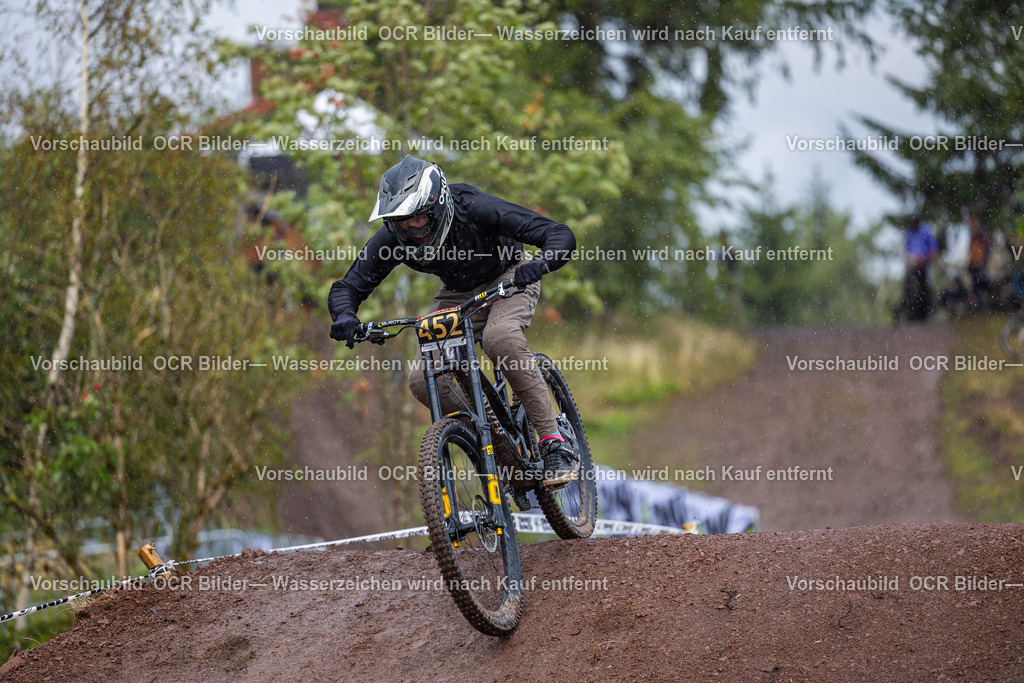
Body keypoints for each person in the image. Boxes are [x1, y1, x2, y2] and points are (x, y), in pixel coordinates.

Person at [328, 155, 579, 488]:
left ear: (438, 205)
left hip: (510, 275)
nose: (410, 231)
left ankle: (553, 442)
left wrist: (541, 264)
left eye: (416, 219)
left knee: (500, 338)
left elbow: (559, 234)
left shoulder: (476, 208)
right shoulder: (394, 239)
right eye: (400, 223)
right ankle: (496, 444)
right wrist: (345, 315)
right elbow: (347, 286)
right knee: (421, 381)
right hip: (457, 294)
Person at [902, 214, 938, 321]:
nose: (911, 224)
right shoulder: (908, 233)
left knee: (927, 285)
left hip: (925, 264)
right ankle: (907, 308)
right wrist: (909, 258)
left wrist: (930, 255)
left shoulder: (925, 231)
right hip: (912, 264)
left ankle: (928, 310)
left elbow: (933, 247)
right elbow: (907, 250)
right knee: (907, 285)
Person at [966, 212, 992, 307]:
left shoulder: (982, 234)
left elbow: (986, 249)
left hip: (981, 264)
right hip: (973, 264)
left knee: (981, 283)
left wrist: (984, 262)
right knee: (974, 285)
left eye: (973, 220)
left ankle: (984, 304)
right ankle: (977, 304)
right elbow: (971, 251)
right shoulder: (973, 234)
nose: (971, 222)